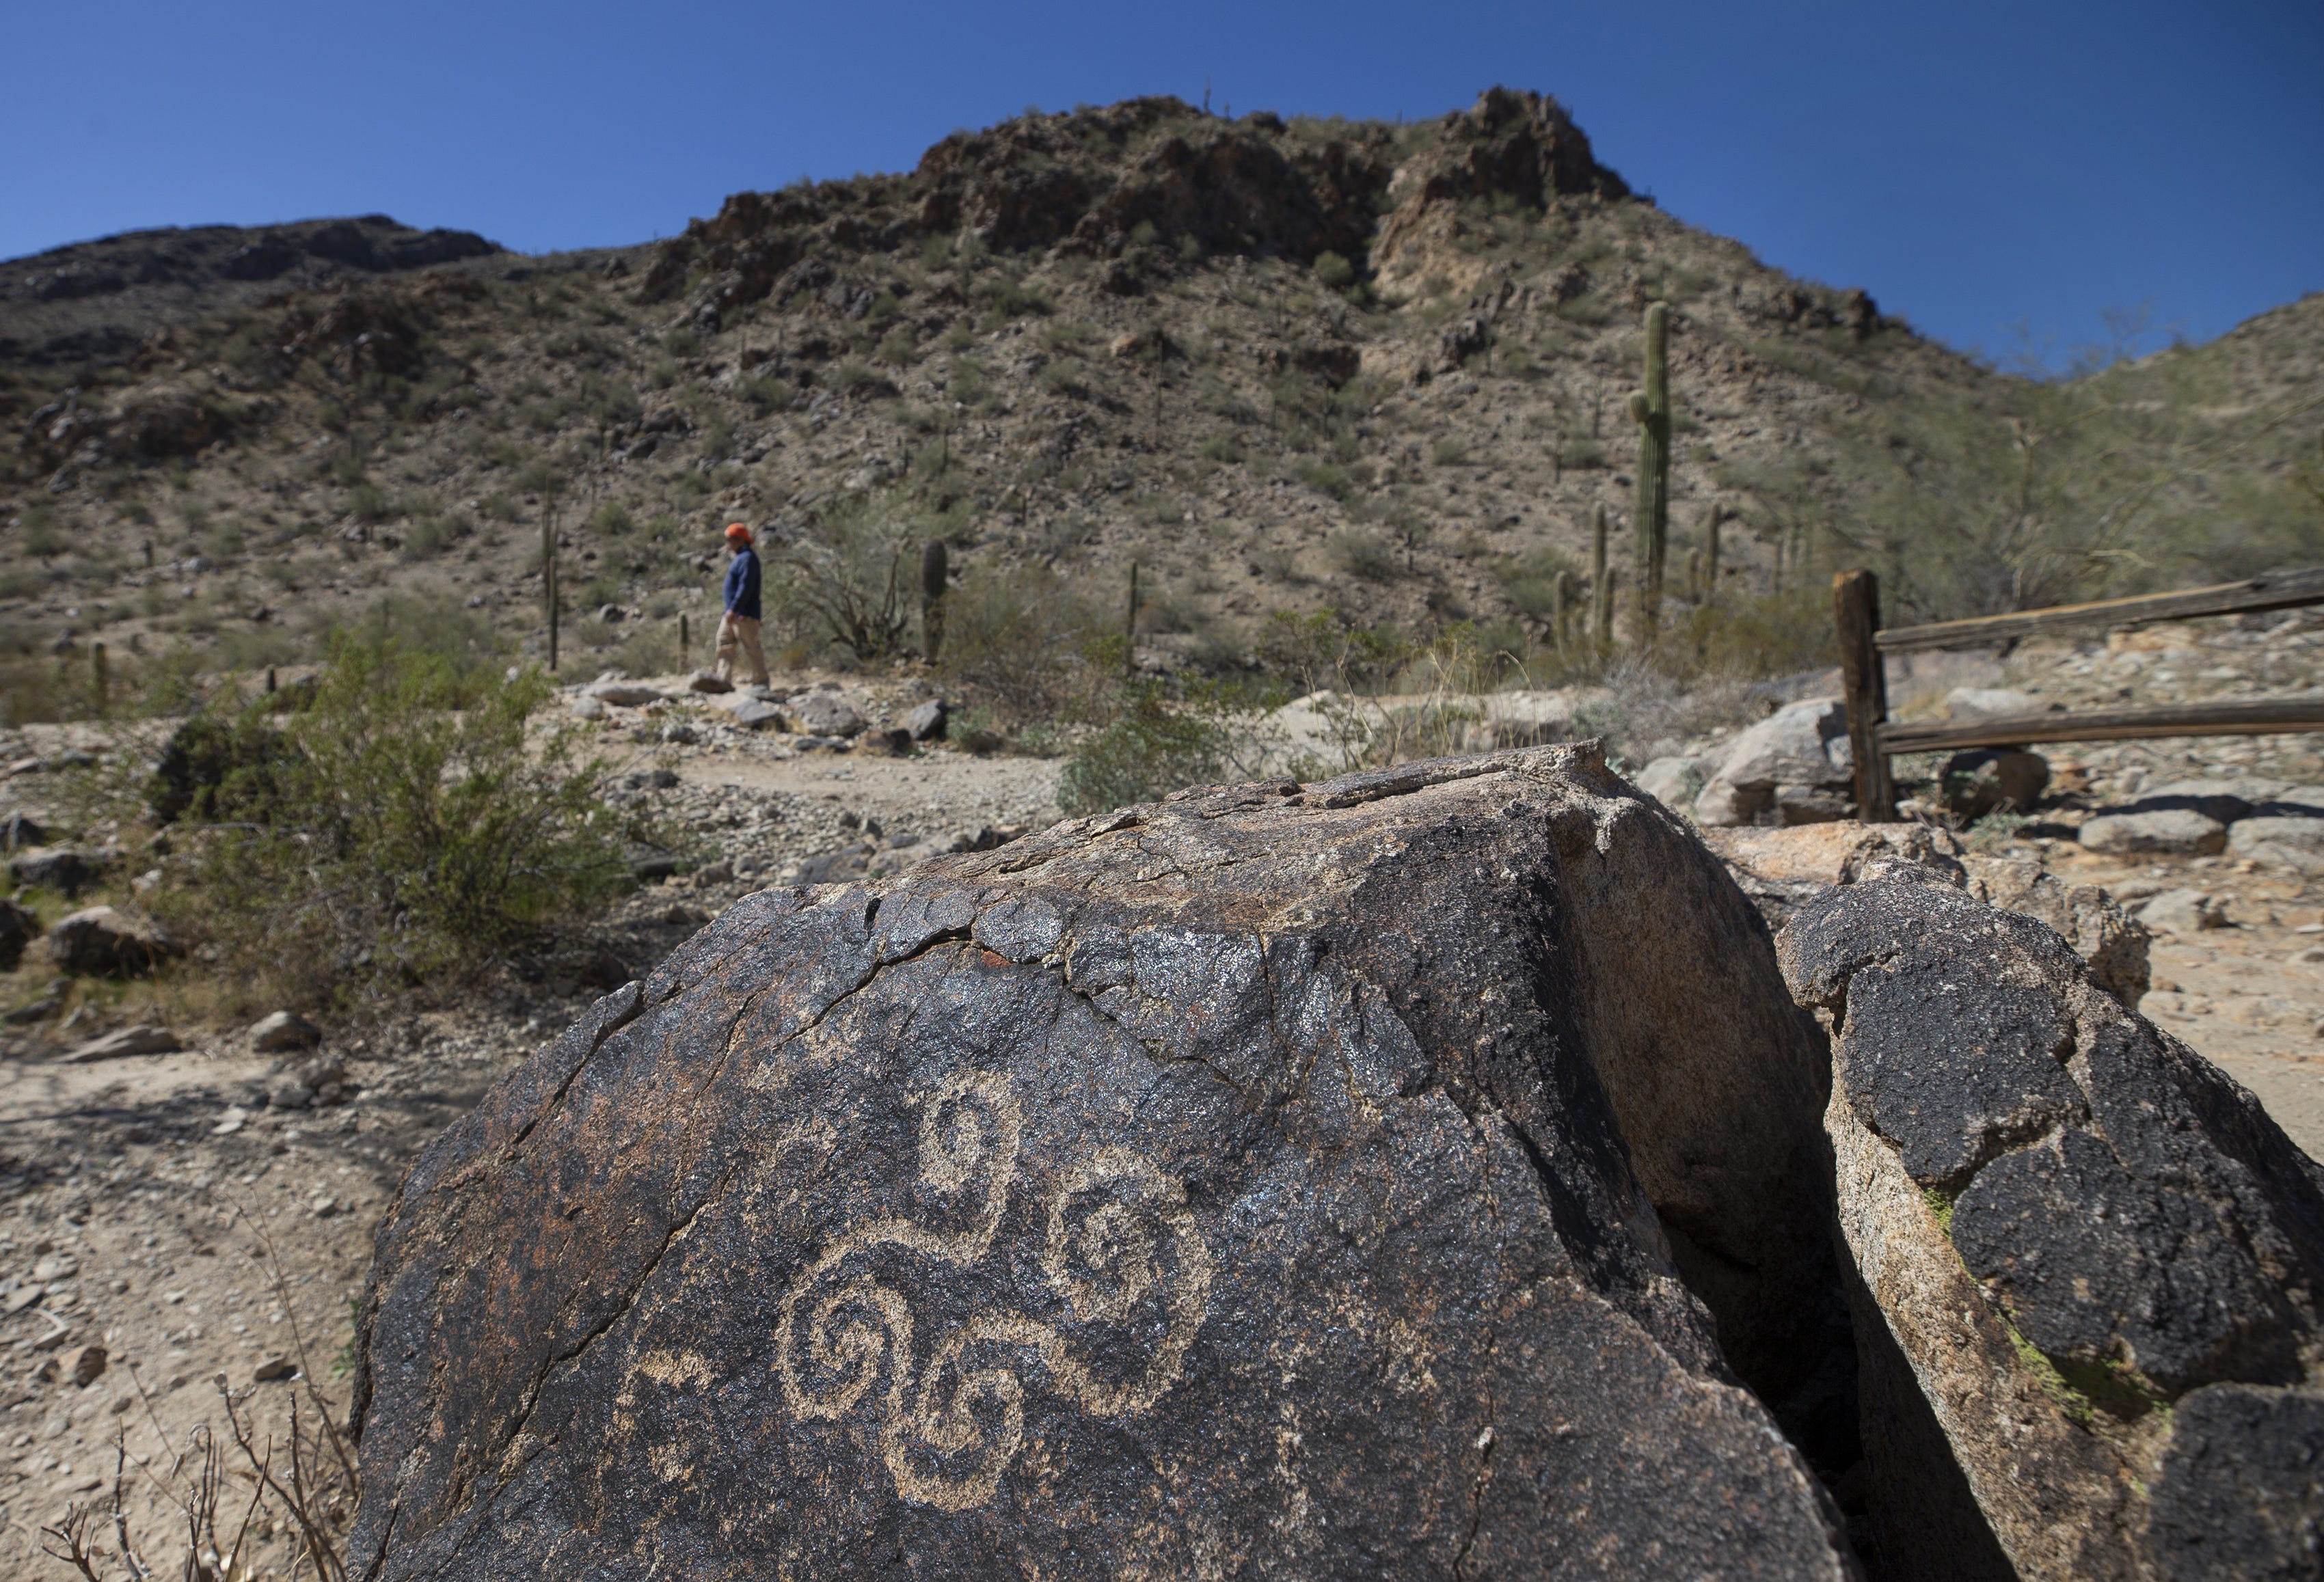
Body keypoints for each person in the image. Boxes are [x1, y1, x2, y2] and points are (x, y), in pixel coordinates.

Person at [714, 523, 770, 686]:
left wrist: (735, 608)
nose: (728, 543)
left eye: (730, 539)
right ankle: (723, 681)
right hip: (732, 612)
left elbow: (745, 586)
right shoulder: (741, 558)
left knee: (751, 647)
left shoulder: (748, 559)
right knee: (723, 642)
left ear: (740, 540)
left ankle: (761, 682)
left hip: (744, 613)